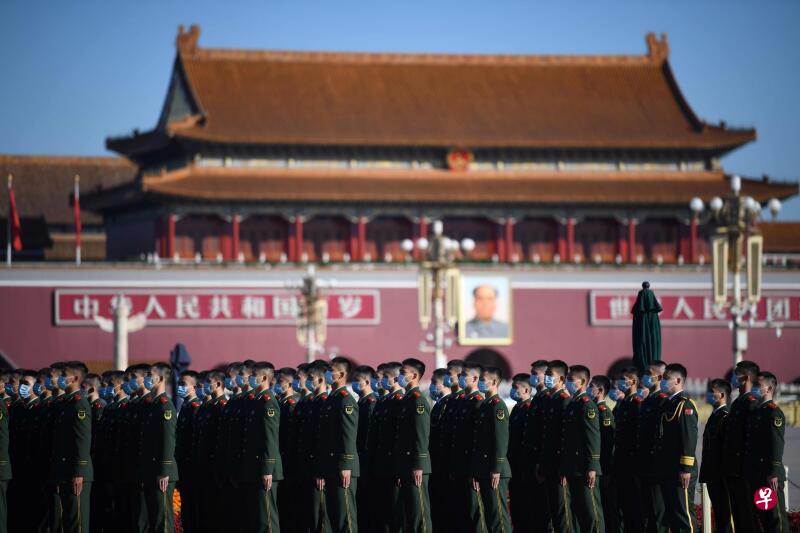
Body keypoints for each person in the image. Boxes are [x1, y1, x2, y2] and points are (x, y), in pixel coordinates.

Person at [744, 371, 790, 532]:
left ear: (769, 388)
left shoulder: (773, 412)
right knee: (763, 516)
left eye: (758, 385)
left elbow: (776, 444)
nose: (755, 388)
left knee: (775, 518)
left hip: (769, 474)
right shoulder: (757, 411)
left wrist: (773, 471)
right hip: (757, 472)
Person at [318, 357, 359, 533]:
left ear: (341, 374)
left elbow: (348, 435)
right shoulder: (332, 399)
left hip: (343, 466)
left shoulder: (345, 400)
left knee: (345, 517)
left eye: (330, 370)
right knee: (334, 515)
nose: (327, 373)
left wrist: (346, 464)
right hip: (331, 465)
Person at [51, 361, 93, 533]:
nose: (60, 379)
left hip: (76, 473)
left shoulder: (79, 404)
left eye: (63, 375)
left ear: (75, 378)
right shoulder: (66, 403)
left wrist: (79, 472)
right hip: (65, 470)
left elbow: (82, 440)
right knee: (67, 522)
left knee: (77, 523)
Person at [561, 365, 604, 532]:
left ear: (583, 382)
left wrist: (593, 466)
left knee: (592, 513)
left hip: (585, 468)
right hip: (574, 467)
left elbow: (592, 437)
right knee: (579, 512)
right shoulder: (573, 404)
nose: (568, 384)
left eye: (571, 380)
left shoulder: (587, 406)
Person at [657, 363, 698, 533]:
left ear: (678, 380)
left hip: (681, 469)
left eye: (666, 378)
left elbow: (689, 438)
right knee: (671, 515)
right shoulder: (668, 403)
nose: (663, 381)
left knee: (683, 515)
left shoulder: (685, 405)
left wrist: (686, 468)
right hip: (668, 467)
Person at [471, 366, 512, 533]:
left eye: (482, 379)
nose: (479, 382)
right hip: (484, 469)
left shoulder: (497, 406)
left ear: (494, 382)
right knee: (489, 517)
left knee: (498, 519)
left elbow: (500, 441)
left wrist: (496, 468)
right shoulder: (485, 405)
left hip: (496, 471)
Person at [395, 358, 433, 532]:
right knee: (408, 512)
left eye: (403, 373)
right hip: (405, 463)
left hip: (415, 465)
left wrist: (418, 464)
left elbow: (421, 435)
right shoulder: (406, 399)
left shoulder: (418, 401)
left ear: (415, 376)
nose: (399, 376)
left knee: (419, 513)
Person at [723, 360, 760, 531]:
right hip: (734, 468)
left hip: (745, 470)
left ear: (745, 377)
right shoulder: (739, 402)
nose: (732, 378)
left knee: (749, 516)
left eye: (735, 375)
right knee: (738, 515)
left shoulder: (751, 403)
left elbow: (752, 439)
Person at [538, 359, 573, 532]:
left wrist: (564, 467)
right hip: (549, 465)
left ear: (561, 379)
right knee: (552, 511)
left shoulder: (564, 401)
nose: (546, 377)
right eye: (546, 374)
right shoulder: (550, 400)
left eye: (550, 375)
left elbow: (566, 438)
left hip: (560, 466)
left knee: (563, 513)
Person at [638, 360, 669, 533]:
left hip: (656, 466)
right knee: (648, 514)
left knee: (658, 515)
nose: (645, 376)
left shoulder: (662, 401)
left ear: (659, 376)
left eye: (649, 373)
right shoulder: (648, 400)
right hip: (644, 465)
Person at [611, 367, 644, 531]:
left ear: (633, 381)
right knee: (624, 506)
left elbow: (638, 436)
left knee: (634, 508)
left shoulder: (637, 403)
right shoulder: (624, 403)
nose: (620, 382)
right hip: (621, 461)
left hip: (632, 463)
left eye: (624, 379)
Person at [699, 378, 733, 533]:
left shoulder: (725, 417)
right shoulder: (714, 416)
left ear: (722, 395)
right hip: (713, 474)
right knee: (719, 516)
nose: (708, 395)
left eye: (711, 392)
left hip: (721, 476)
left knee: (726, 517)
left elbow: (727, 449)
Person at [522, 359, 552, 532]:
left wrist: (542, 463)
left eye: (535, 374)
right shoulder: (538, 398)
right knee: (534, 507)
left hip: (542, 462)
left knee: (545, 509)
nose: (532, 377)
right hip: (531, 460)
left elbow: (546, 434)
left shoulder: (548, 399)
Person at [351, 365, 378, 532]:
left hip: (366, 462)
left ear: (367, 381)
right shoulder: (360, 402)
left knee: (368, 507)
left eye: (356, 380)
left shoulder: (370, 404)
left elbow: (368, 436)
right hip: (359, 460)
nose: (353, 383)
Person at [590, 374, 617, 533]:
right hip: (596, 468)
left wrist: (606, 470)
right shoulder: (594, 409)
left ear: (600, 390)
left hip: (601, 469)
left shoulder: (603, 412)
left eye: (591, 386)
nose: (588, 389)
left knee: (603, 508)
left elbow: (607, 445)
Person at [175, 370, 202, 533]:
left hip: (192, 467)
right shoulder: (185, 407)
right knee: (186, 510)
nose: (180, 387)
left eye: (183, 384)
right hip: (184, 466)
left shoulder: (195, 408)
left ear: (194, 387)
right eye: (179, 384)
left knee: (194, 509)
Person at [507, 373, 532, 532]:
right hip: (514, 464)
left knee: (526, 507)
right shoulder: (517, 408)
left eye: (515, 387)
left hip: (524, 466)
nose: (512, 390)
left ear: (526, 390)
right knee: (515, 507)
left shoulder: (529, 408)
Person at [427, 367, 451, 532]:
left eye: (435, 382)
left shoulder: (448, 403)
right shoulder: (439, 404)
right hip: (436, 462)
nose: (431, 385)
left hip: (444, 462)